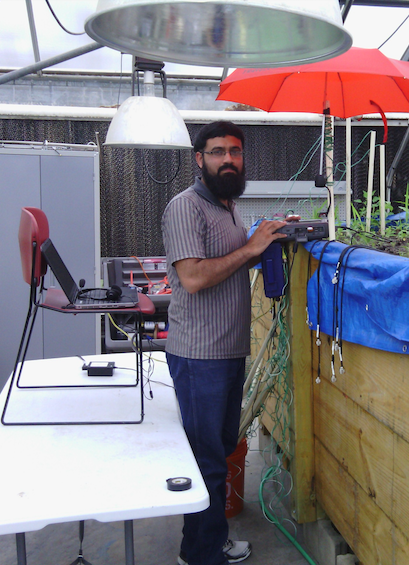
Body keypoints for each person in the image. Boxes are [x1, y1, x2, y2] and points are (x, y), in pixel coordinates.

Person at [161, 121, 288, 565]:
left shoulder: (227, 206)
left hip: (227, 352)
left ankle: (208, 542)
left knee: (216, 453)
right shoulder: (186, 208)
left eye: (235, 151)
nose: (228, 159)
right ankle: (199, 554)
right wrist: (251, 249)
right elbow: (193, 277)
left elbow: (234, 253)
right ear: (199, 159)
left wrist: (268, 235)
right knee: (206, 461)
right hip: (199, 357)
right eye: (217, 152)